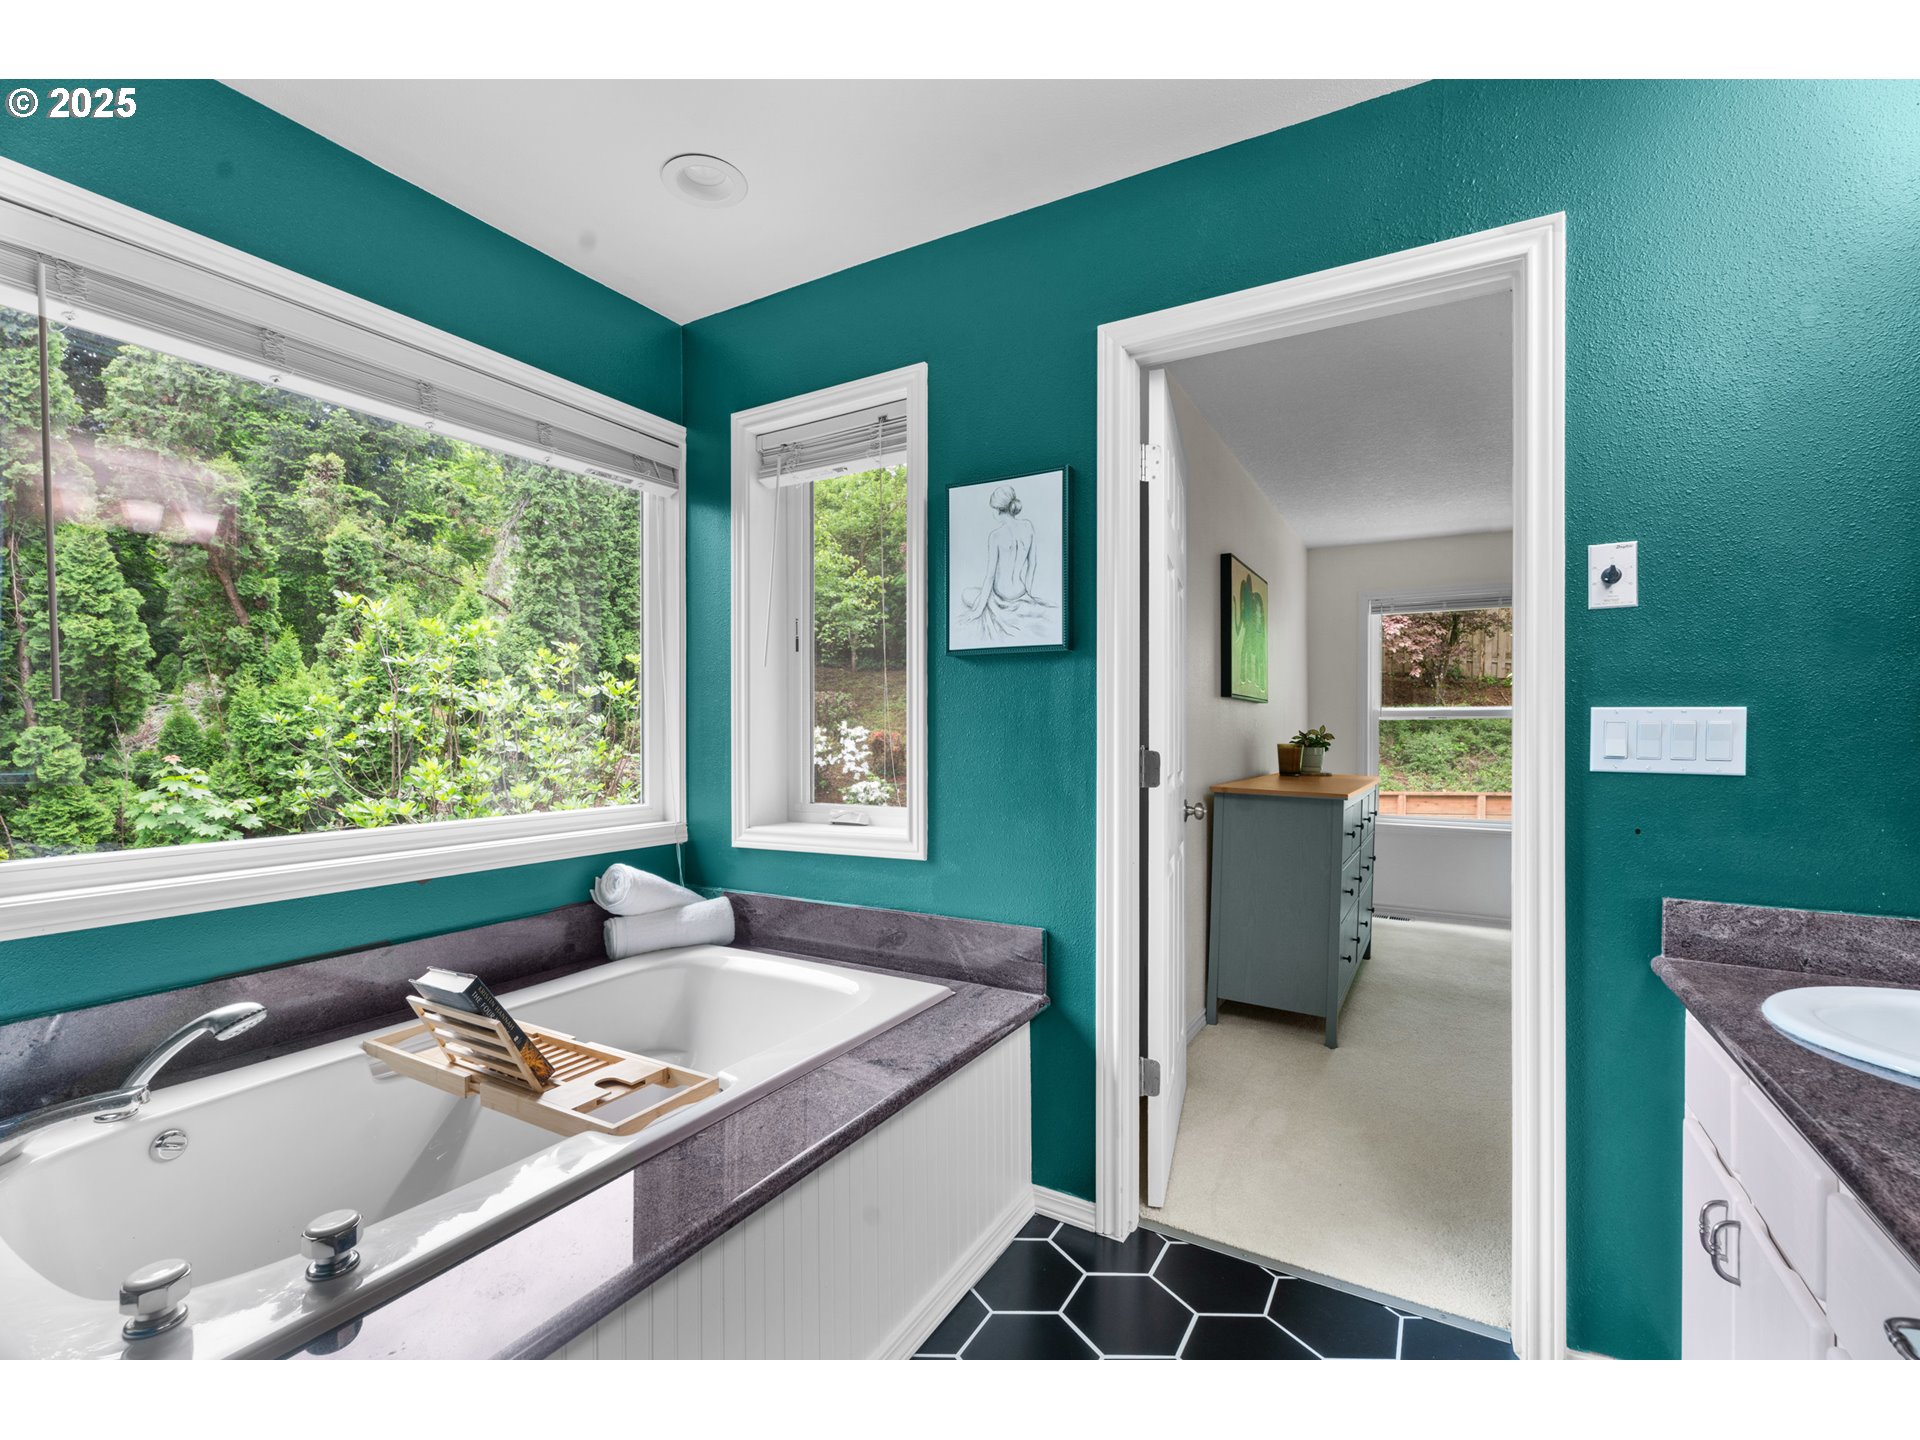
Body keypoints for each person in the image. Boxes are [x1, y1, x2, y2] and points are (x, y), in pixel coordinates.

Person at [959, 484, 1054, 642]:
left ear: (997, 510)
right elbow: (1033, 563)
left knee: (967, 594)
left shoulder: (996, 536)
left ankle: (992, 607)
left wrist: (978, 610)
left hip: (999, 597)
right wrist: (1028, 592)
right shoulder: (1028, 526)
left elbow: (990, 577)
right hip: (1021, 592)